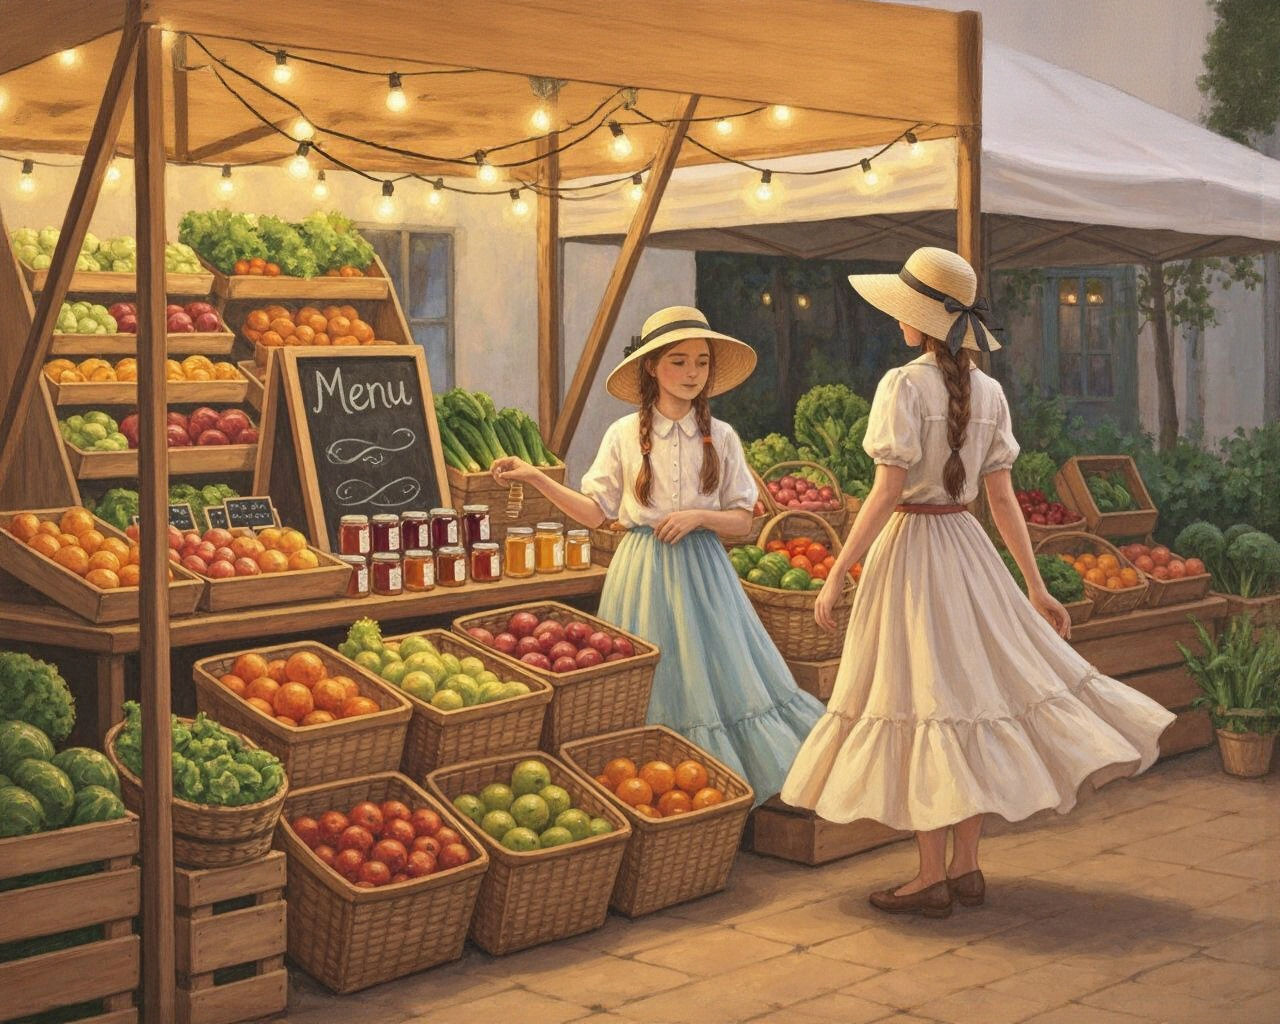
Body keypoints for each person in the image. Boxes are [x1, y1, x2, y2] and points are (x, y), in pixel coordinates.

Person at [780, 248, 1176, 919]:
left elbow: (884, 493)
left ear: (920, 320)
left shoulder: (902, 386)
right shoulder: (989, 392)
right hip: (968, 554)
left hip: (910, 557)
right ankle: (966, 867)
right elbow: (1003, 502)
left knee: (921, 700)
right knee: (966, 695)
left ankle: (930, 875)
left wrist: (841, 568)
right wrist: (1032, 584)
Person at [492, 305, 825, 804]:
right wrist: (538, 477)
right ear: (651, 367)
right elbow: (592, 512)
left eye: (701, 363)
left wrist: (698, 517)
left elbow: (744, 519)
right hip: (642, 574)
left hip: (706, 576)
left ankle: (719, 798)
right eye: (678, 362)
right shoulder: (623, 435)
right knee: (651, 678)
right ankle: (654, 800)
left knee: (713, 675)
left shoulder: (724, 436)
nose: (692, 374)